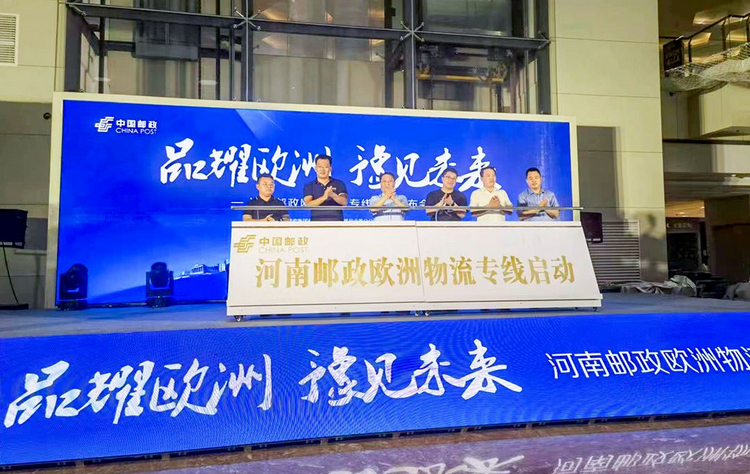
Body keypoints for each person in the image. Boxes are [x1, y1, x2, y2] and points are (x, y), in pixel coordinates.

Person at [303, 155, 348, 221]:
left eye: (326, 167)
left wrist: (332, 195)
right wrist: (324, 197)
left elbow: (344, 202)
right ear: (315, 168)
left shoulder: (339, 183)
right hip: (316, 223)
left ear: (330, 169)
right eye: (320, 167)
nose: (322, 170)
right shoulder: (309, 186)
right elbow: (308, 204)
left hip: (336, 222)